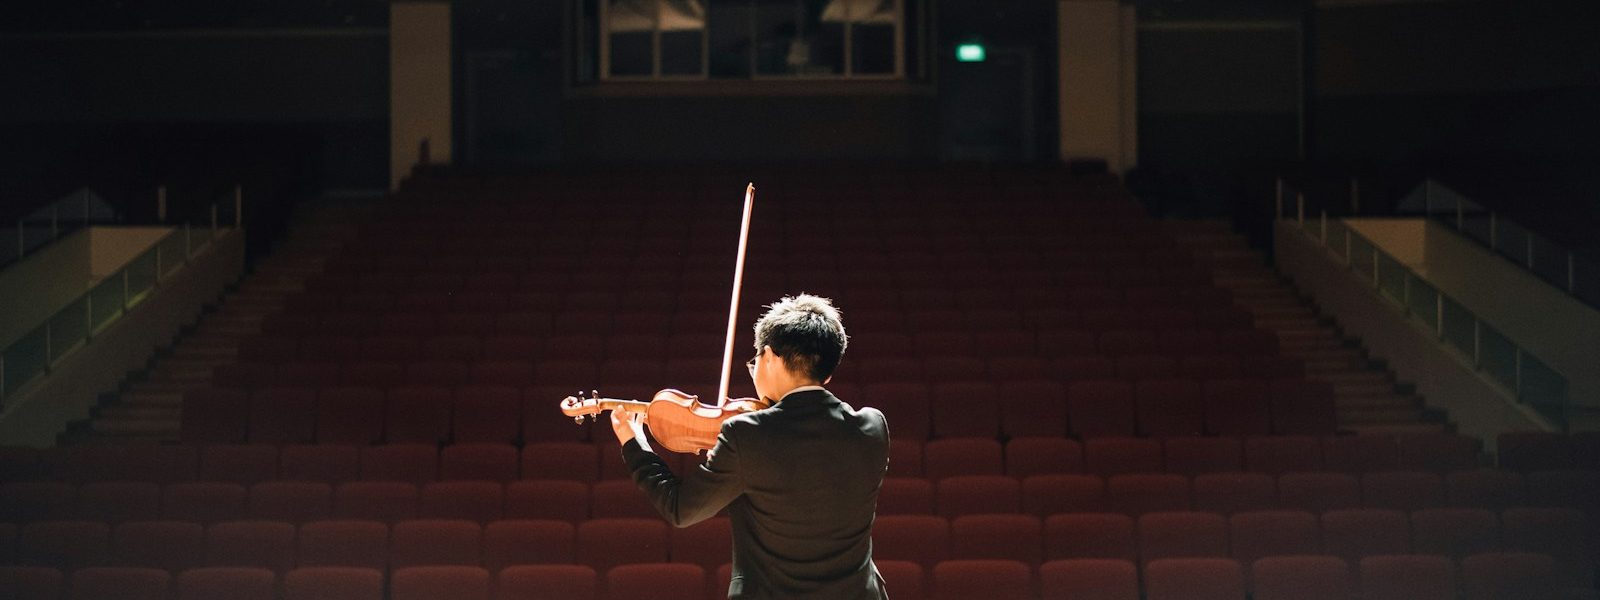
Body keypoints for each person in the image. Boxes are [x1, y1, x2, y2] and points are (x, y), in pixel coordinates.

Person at [610, 294, 891, 599]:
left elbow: (680, 508)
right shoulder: (872, 427)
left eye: (755, 360)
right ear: (828, 370)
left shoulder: (746, 435)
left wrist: (634, 443)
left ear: (768, 356)